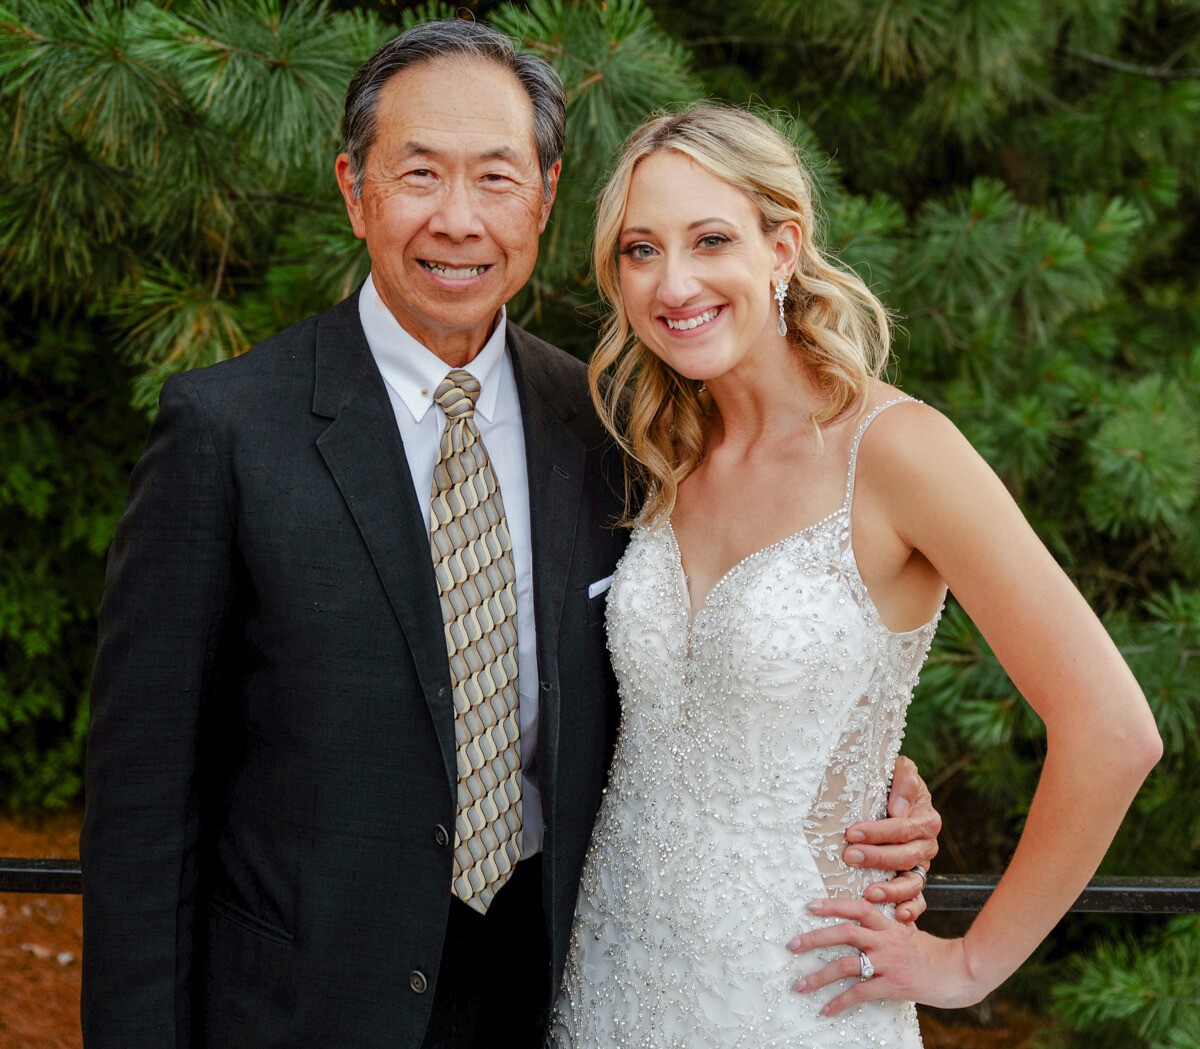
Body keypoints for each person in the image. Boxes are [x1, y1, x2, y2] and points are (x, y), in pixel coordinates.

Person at [80, 23, 940, 1049]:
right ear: (355, 192)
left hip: (553, 989)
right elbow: (141, 809)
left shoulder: (613, 427)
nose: (457, 220)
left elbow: (700, 659)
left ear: (543, 195)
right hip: (307, 1004)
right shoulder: (226, 430)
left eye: (495, 177)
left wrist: (866, 766)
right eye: (418, 175)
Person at [549, 103, 1162, 1048]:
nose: (674, 282)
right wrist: (877, 775)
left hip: (800, 993)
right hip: (612, 979)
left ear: (782, 246)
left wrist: (968, 964)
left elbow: (1115, 731)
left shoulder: (899, 451)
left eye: (711, 239)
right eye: (640, 250)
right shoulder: (659, 451)